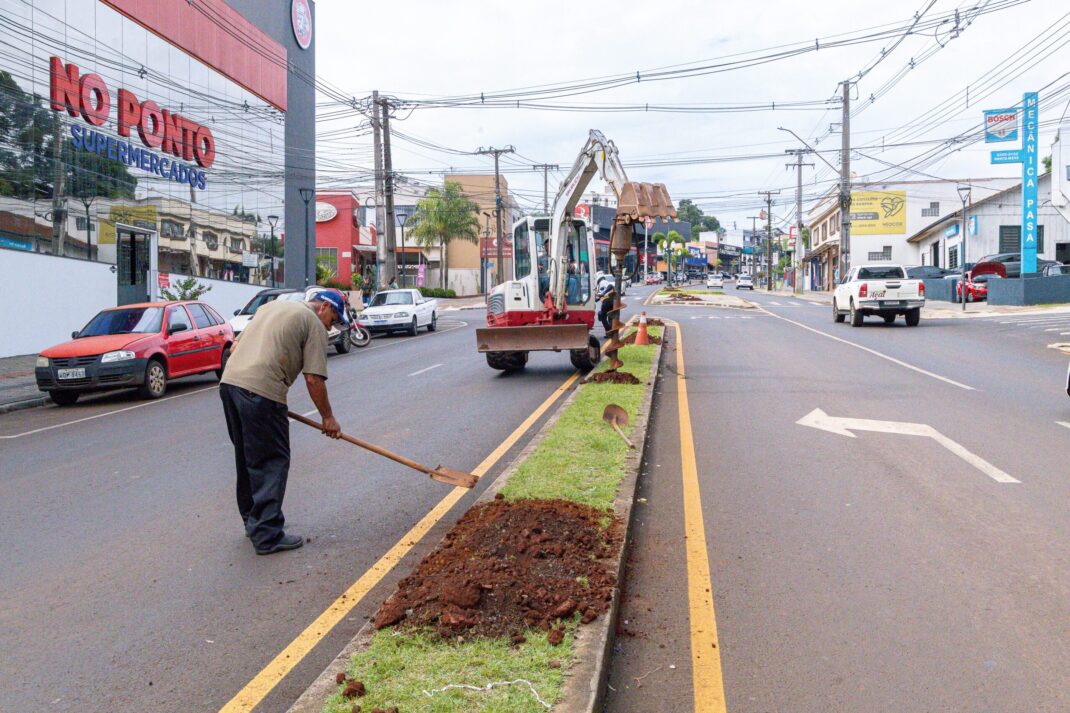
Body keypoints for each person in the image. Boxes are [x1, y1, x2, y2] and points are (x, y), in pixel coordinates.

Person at [219, 290, 347, 555]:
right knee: (271, 460)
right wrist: (328, 418)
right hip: (262, 391)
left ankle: (252, 521)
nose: (330, 327)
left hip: (230, 385)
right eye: (333, 320)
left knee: (247, 457)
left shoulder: (272, 308)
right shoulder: (313, 323)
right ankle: (266, 534)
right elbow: (313, 378)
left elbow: (234, 347)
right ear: (324, 307)